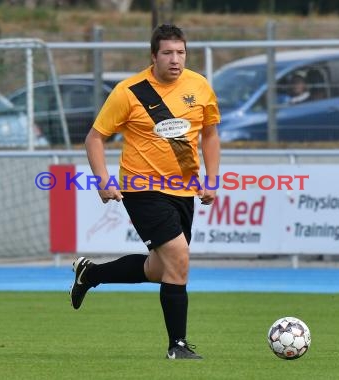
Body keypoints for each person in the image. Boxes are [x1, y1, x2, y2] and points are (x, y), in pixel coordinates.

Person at [70, 24, 221, 360]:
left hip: (183, 191)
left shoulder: (199, 86)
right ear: (154, 56)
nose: (175, 59)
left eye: (180, 52)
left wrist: (211, 180)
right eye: (167, 53)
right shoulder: (129, 91)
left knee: (162, 269)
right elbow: (94, 138)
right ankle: (177, 345)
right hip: (141, 189)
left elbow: (210, 134)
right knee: (179, 257)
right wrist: (103, 180)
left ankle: (90, 273)